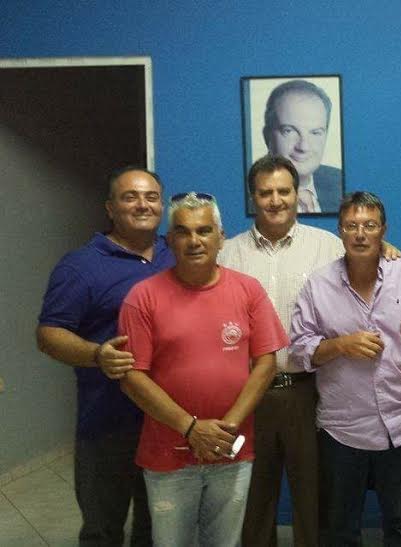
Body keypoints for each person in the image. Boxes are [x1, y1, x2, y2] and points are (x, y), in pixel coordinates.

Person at [117, 192, 288, 546]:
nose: (194, 240)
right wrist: (191, 428)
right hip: (168, 455)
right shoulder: (142, 297)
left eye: (204, 230)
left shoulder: (248, 290)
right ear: (169, 240)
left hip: (232, 451)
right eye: (183, 231)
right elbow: (132, 379)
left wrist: (226, 430)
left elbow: (266, 363)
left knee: (224, 542)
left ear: (221, 238)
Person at [36, 166, 168, 547]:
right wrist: (97, 354)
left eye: (151, 197)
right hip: (107, 423)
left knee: (157, 529)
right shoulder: (80, 266)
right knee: (103, 530)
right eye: (130, 197)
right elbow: (48, 334)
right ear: (110, 207)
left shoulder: (176, 254)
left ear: (162, 206)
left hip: (167, 421)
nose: (142, 204)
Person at [220, 155, 343, 547]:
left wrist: (388, 249)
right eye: (266, 192)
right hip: (246, 395)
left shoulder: (328, 247)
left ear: (297, 193)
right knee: (253, 500)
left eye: (283, 191)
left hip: (308, 392)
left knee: (313, 498)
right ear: (252, 197)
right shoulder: (227, 254)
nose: (275, 200)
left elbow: (364, 271)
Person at [291, 192, 401, 547]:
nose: (361, 234)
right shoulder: (318, 285)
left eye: (370, 225)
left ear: (384, 230)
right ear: (340, 231)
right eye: (351, 226)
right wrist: (340, 345)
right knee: (340, 530)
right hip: (342, 429)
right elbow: (300, 349)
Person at [263, 79, 342, 213]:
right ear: (267, 136)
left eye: (315, 132)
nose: (303, 147)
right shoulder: (249, 193)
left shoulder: (339, 182)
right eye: (289, 131)